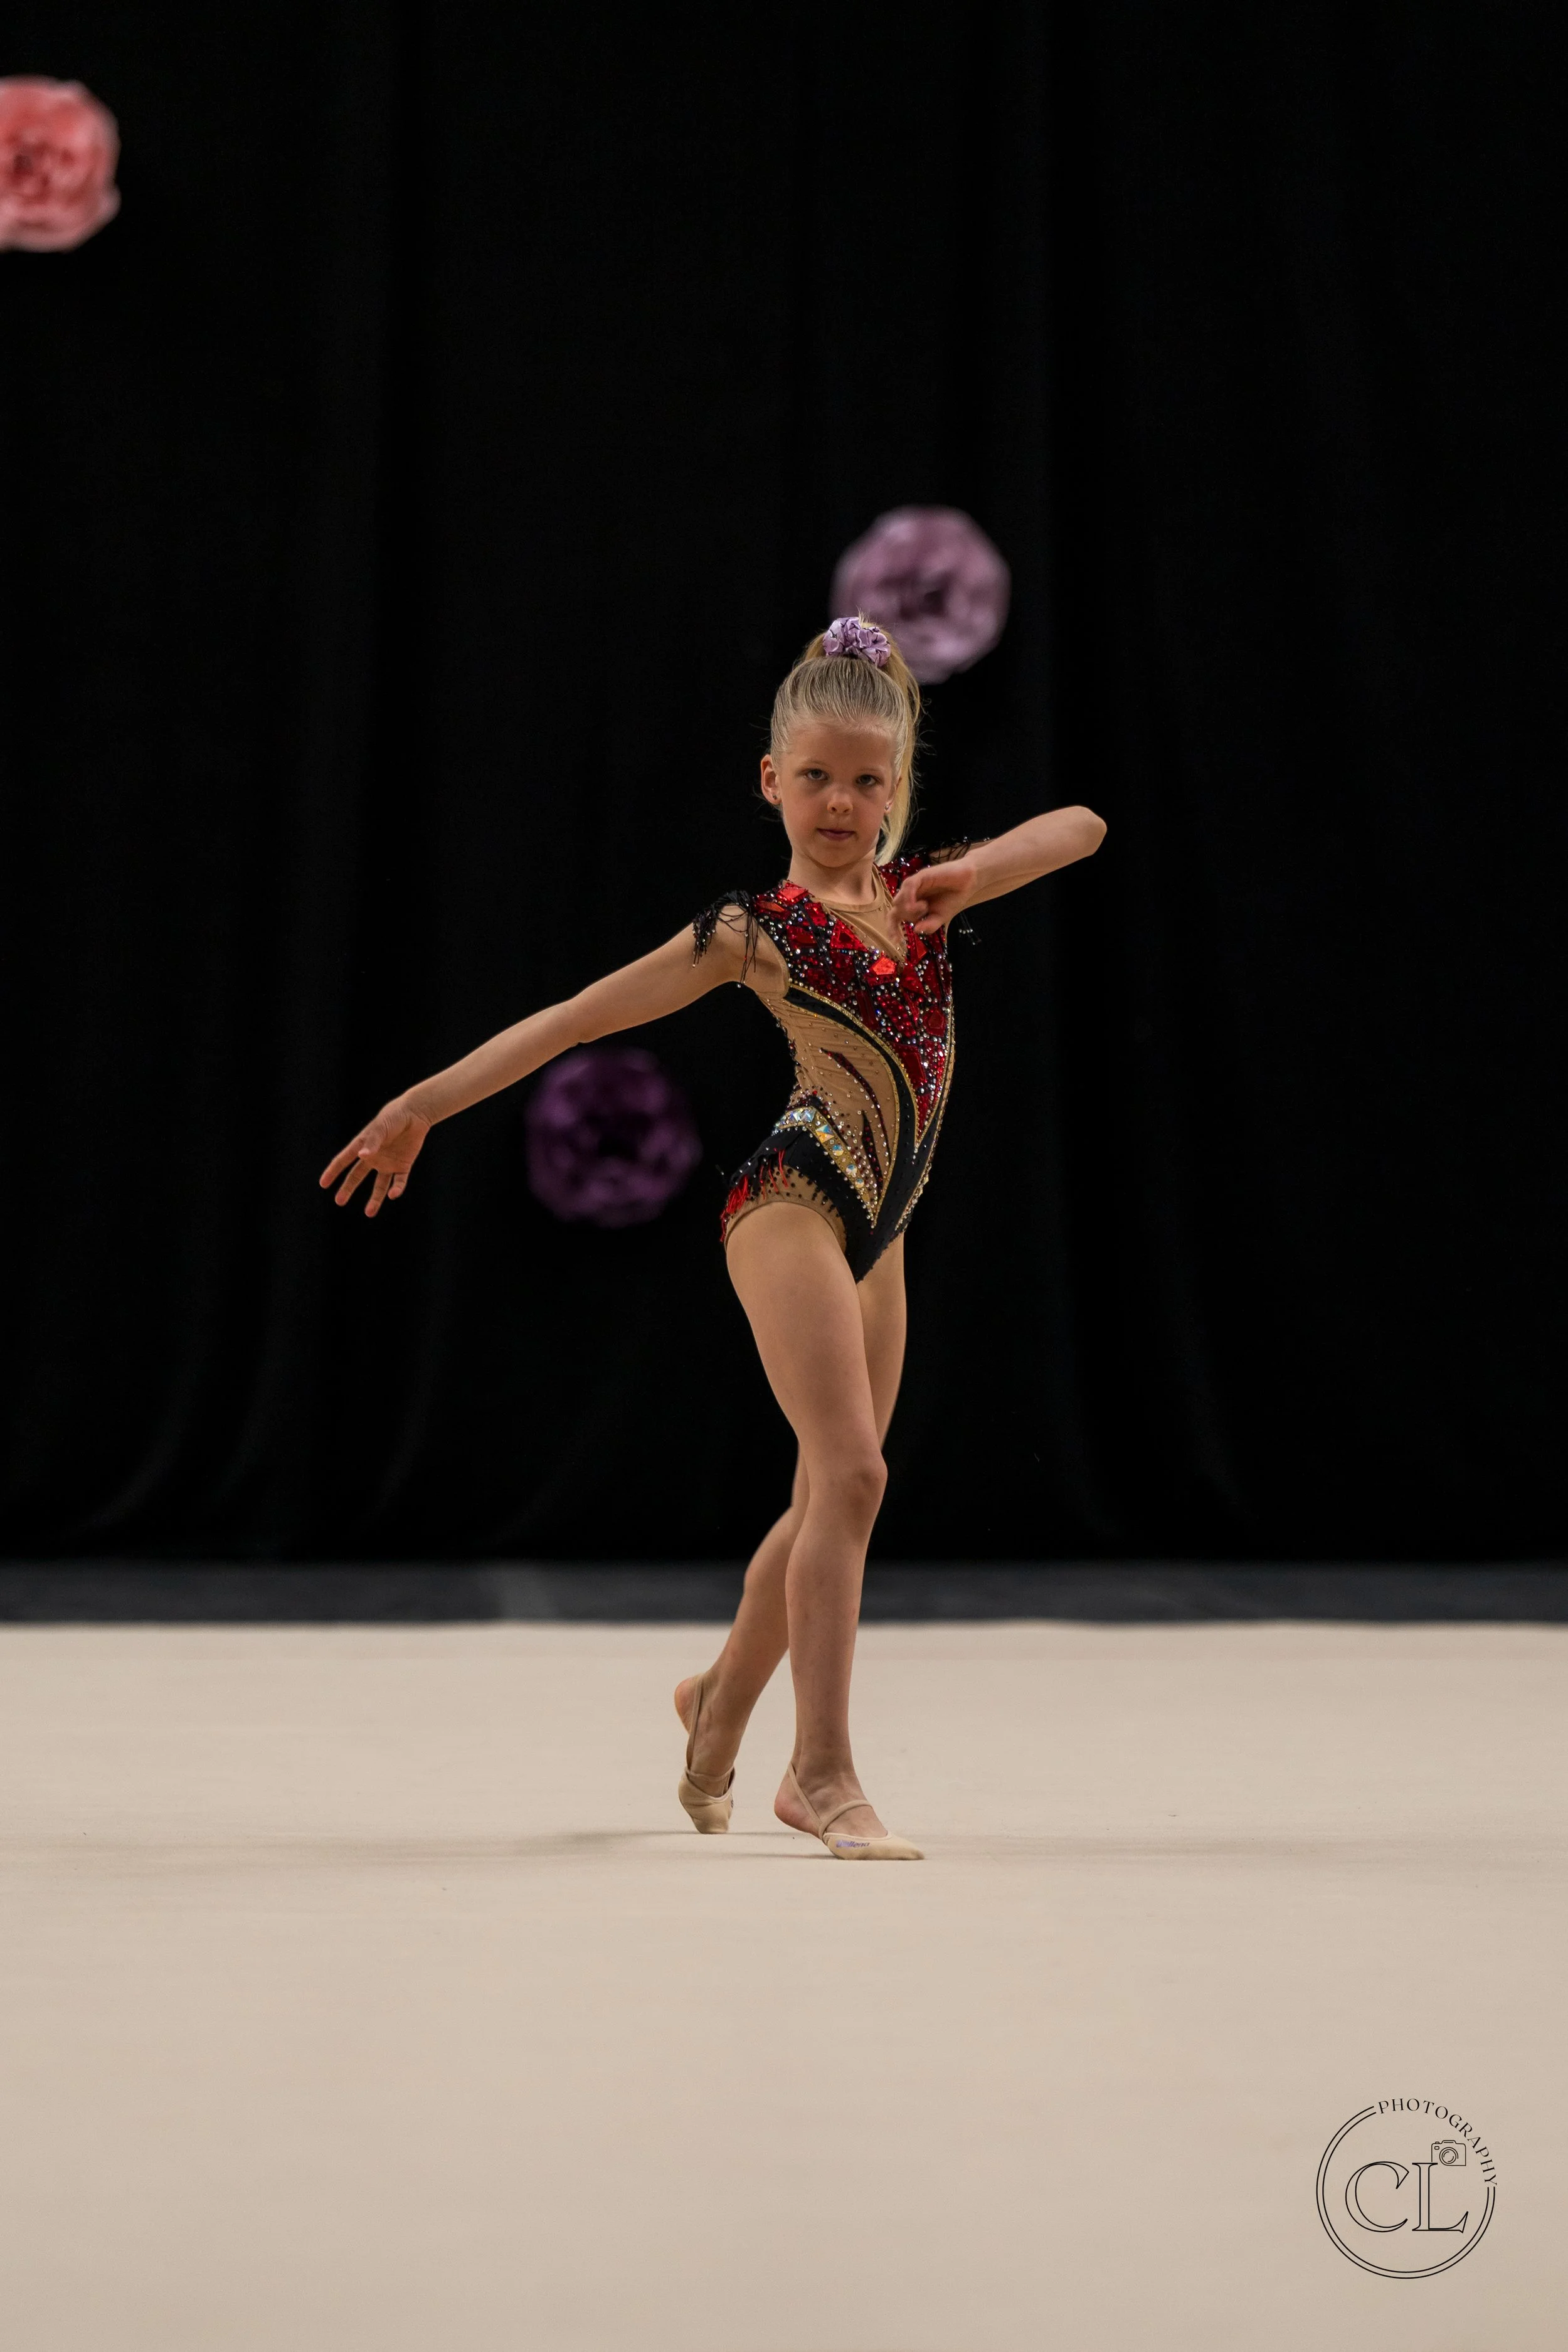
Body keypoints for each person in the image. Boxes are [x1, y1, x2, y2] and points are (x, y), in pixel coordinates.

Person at [320, 615, 1105, 1858]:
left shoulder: (924, 898)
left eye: (863, 779)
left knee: (818, 1506)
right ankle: (823, 1772)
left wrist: (978, 865)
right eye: (814, 778)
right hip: (791, 1199)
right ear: (769, 782)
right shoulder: (750, 932)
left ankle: (716, 1707)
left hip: (882, 1230)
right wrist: (420, 1105)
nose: (838, 802)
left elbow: (1083, 828)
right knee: (851, 1477)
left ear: (895, 788)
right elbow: (575, 1018)